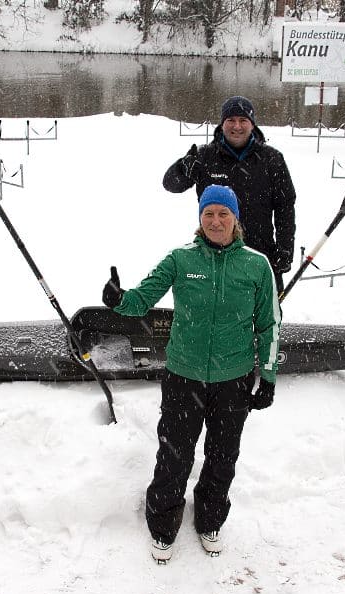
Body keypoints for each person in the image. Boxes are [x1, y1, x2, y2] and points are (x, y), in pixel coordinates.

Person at [102, 185, 281, 563]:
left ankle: (210, 519)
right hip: (184, 376)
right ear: (199, 219)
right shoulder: (180, 260)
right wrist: (120, 300)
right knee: (174, 454)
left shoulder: (256, 265)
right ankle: (163, 524)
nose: (216, 221)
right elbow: (142, 299)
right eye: (208, 214)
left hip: (233, 380)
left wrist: (267, 377)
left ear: (235, 218)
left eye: (223, 214)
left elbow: (269, 325)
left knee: (222, 455)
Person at [163, 95, 296, 293]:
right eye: (231, 120)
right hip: (214, 253)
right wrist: (183, 168)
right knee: (216, 316)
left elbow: (285, 208)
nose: (237, 126)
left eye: (243, 120)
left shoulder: (272, 160)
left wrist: (285, 250)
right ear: (222, 124)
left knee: (266, 319)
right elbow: (171, 185)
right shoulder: (205, 156)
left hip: (259, 252)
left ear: (252, 125)